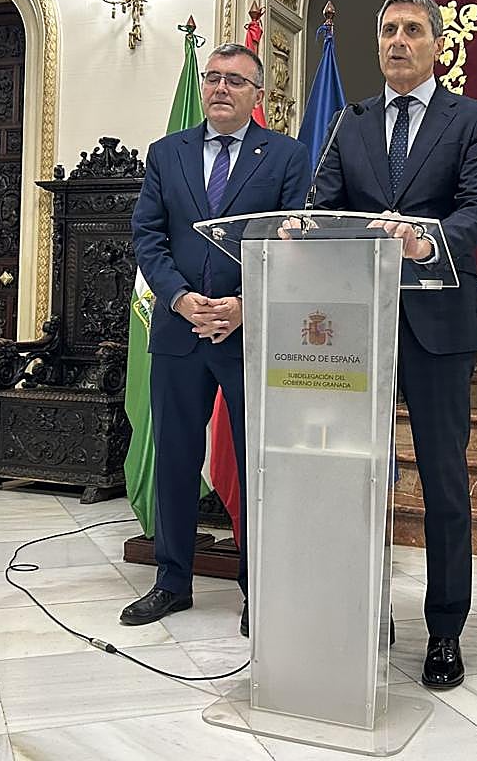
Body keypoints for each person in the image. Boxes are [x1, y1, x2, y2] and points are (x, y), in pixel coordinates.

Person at [310, 0, 477, 688]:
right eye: (388, 29)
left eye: (412, 30)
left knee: (444, 485)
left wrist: (426, 240)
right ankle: (360, 612)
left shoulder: (471, 120)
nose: (398, 40)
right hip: (354, 325)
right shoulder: (348, 122)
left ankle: (445, 631)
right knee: (350, 476)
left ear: (437, 45)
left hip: (437, 323)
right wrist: (308, 229)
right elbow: (320, 205)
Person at [124, 43, 311, 637]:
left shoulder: (285, 156)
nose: (221, 89)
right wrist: (179, 299)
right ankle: (171, 582)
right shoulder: (166, 153)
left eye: (235, 80)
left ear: (259, 94)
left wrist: (243, 307)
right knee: (176, 460)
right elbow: (149, 236)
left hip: (249, 335)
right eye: (213, 78)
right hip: (180, 331)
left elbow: (293, 241)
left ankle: (260, 588)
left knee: (260, 464)